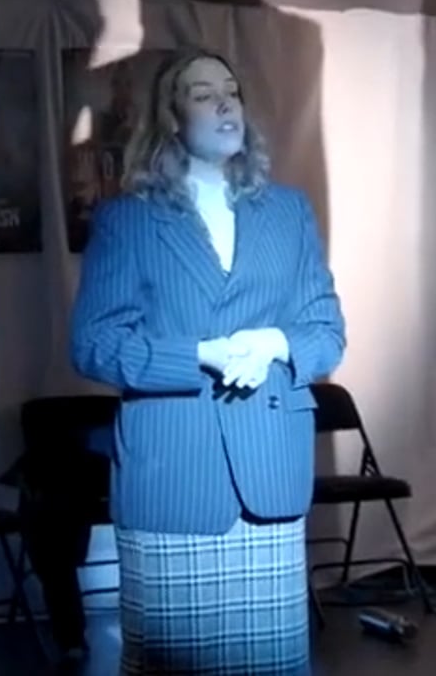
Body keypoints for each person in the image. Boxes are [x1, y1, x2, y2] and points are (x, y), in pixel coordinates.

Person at [69, 50, 346, 675]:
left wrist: (274, 344)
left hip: (268, 469)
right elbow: (94, 344)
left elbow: (326, 332)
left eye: (232, 91)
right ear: (171, 117)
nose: (225, 104)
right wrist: (200, 356)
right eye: (202, 94)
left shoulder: (287, 212)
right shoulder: (128, 221)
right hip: (175, 472)